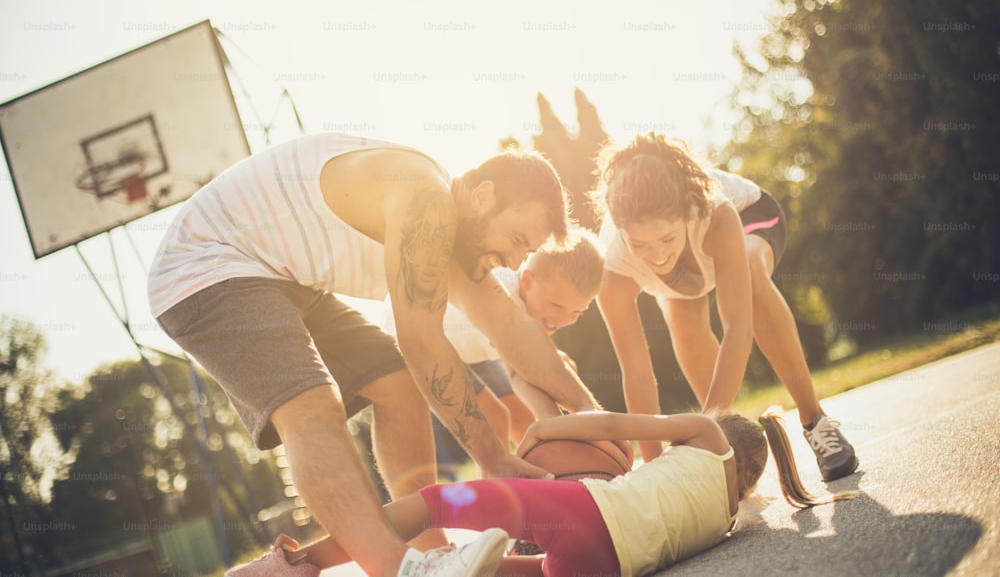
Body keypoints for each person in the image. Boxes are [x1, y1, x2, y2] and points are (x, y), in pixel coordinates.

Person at [146, 133, 601, 576]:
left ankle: (432, 556)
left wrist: (590, 413)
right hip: (206, 263)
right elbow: (421, 340)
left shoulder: (455, 236)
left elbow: (511, 326)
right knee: (313, 404)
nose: (516, 262)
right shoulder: (428, 200)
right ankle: (397, 569)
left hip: (282, 280)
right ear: (483, 197)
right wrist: (492, 456)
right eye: (519, 239)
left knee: (398, 387)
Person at [230, 409, 856, 577]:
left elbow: (611, 429)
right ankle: (441, 571)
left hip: (586, 510)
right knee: (502, 569)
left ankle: (297, 564)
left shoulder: (704, 433)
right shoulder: (730, 516)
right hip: (604, 567)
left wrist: (544, 432)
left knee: (441, 502)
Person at [591, 132, 859, 481]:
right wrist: (654, 470)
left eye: (666, 238)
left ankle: (816, 421)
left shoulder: (714, 212)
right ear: (622, 231)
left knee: (750, 271)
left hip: (752, 218)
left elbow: (737, 329)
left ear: (683, 215)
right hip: (688, 271)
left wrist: (702, 429)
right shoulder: (612, 267)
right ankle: (726, 449)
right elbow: (638, 375)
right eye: (640, 243)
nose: (656, 255)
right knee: (682, 322)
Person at [382, 227, 605, 454]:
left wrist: (556, 426)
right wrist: (559, 424)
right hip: (423, 339)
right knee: (494, 420)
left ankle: (548, 474)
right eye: (556, 306)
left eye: (577, 312)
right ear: (527, 281)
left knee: (524, 421)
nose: (562, 318)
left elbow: (529, 362)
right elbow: (519, 374)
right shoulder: (504, 298)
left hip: (472, 349)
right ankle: (502, 483)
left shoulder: (537, 304)